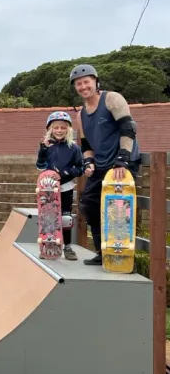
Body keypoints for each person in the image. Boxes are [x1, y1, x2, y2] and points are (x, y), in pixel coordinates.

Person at [70, 64, 141, 266]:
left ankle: (125, 256)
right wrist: (89, 161)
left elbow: (128, 128)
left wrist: (123, 160)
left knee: (119, 208)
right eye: (78, 84)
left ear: (95, 81)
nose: (83, 87)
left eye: (86, 82)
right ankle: (104, 252)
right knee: (89, 204)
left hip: (122, 163)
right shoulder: (81, 115)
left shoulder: (112, 99)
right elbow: (86, 144)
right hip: (101, 166)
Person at [35, 110, 84, 260]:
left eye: (63, 127)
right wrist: (43, 150)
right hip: (48, 189)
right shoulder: (46, 146)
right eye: (56, 127)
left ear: (68, 129)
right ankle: (48, 244)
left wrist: (64, 174)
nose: (59, 130)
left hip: (65, 187)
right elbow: (40, 166)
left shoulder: (74, 148)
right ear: (50, 129)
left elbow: (80, 168)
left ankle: (67, 247)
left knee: (65, 218)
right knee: (48, 216)